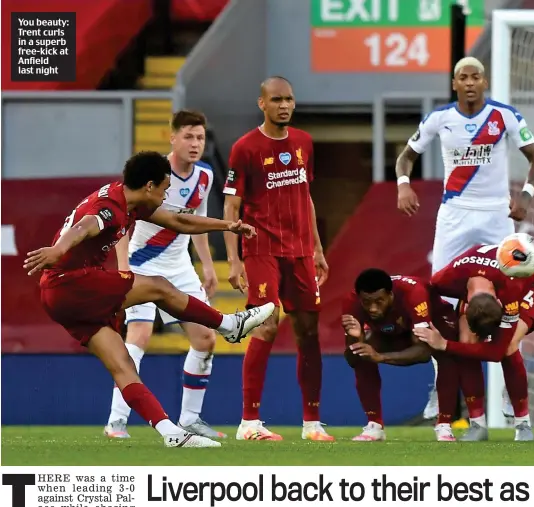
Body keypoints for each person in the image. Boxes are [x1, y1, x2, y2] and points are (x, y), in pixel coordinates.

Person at [24, 151, 275, 448]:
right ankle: (229, 325)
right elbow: (85, 226)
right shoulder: (113, 206)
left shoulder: (131, 202)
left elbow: (177, 220)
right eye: (164, 188)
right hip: (70, 284)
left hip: (58, 297)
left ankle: (171, 432)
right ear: (149, 186)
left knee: (123, 366)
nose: (166, 194)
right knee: (158, 286)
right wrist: (58, 250)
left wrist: (227, 226)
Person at [394, 56, 534, 421]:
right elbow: (405, 158)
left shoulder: (505, 115)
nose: (470, 82)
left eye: (476, 76)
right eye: (463, 77)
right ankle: (438, 386)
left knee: (509, 295)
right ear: (454, 83)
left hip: (496, 215)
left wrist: (524, 197)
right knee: (439, 298)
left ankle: (510, 391)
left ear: (485, 81)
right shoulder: (439, 119)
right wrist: (403, 186)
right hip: (454, 215)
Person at [104, 111, 226, 440]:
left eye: (200, 138)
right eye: (188, 136)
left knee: (205, 338)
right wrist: (123, 266)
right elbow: (122, 219)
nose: (195, 144)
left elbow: (195, 221)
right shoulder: (152, 172)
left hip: (180, 266)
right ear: (172, 138)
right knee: (139, 336)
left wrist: (207, 265)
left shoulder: (205, 175)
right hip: (141, 262)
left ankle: (190, 418)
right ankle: (116, 421)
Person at [223, 76, 332, 441]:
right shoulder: (245, 148)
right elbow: (232, 206)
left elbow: (307, 196)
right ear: (262, 104)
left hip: (300, 250)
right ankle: (249, 423)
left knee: (309, 333)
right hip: (261, 247)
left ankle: (312, 424)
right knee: (266, 323)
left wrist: (317, 248)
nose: (284, 105)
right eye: (276, 99)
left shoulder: (304, 142)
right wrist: (234, 260)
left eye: (289, 99)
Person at [419, 243, 534, 442]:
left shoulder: (511, 288)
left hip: (527, 285)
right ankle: (477, 424)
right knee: (466, 343)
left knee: (510, 348)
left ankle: (523, 424)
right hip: (477, 287)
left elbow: (496, 353)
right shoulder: (447, 279)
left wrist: (445, 345)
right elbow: (429, 291)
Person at [341, 269, 462, 442]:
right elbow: (352, 360)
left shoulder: (414, 294)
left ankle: (444, 425)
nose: (372, 308)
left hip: (434, 320)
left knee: (445, 353)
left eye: (379, 301)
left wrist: (381, 357)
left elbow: (424, 353)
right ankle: (374, 425)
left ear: (391, 295)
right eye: (366, 302)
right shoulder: (351, 302)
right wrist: (356, 338)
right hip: (392, 329)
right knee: (363, 353)